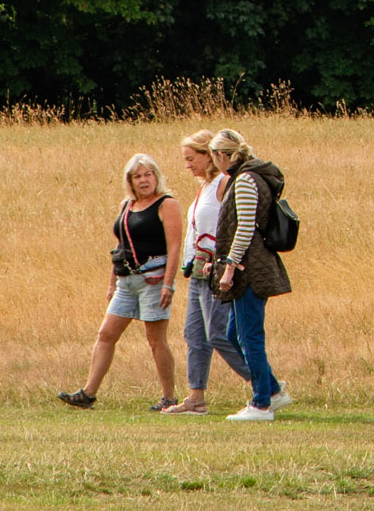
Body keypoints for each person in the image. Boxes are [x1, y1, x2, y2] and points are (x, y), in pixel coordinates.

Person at [58, 151, 183, 411]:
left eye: (148, 174)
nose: (143, 180)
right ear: (130, 180)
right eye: (137, 176)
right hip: (126, 282)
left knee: (155, 339)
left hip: (153, 280)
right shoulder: (126, 206)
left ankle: (169, 398)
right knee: (106, 334)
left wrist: (169, 284)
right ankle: (88, 394)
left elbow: (174, 248)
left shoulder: (166, 204)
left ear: (156, 177)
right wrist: (111, 282)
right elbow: (120, 246)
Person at [197, 123, 290, 421]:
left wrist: (229, 268)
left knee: (249, 335)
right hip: (246, 265)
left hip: (250, 268)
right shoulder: (245, 176)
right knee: (232, 333)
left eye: (214, 157)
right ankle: (273, 391)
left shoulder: (246, 180)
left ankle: (261, 404)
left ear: (223, 156)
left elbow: (245, 228)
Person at [169, 132, 230, 417]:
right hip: (196, 272)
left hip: (213, 271)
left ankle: (267, 387)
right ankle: (195, 397)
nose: (187, 165)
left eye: (191, 158)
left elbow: (230, 225)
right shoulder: (204, 186)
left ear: (208, 155)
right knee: (194, 335)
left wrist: (221, 261)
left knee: (218, 334)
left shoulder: (223, 183)